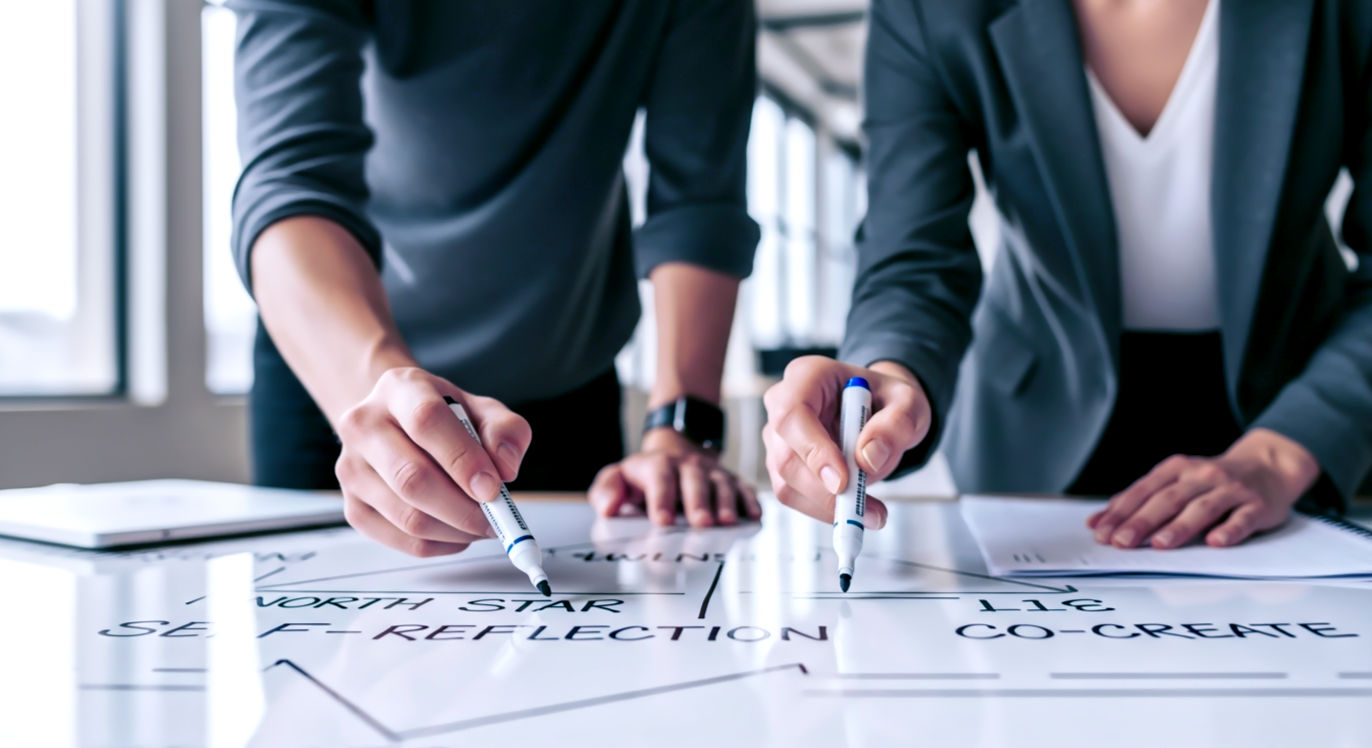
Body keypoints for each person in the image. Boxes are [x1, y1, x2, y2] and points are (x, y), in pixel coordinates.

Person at [763, 0, 1372, 550]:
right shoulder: (929, 10)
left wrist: (1283, 450)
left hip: (1295, 415)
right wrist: (889, 374)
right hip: (1037, 429)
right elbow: (913, 249)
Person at [229, 0, 761, 558]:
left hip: (564, 374)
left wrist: (679, 430)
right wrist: (383, 389)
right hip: (339, 362)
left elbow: (699, 202)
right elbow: (288, 180)